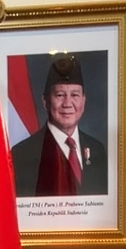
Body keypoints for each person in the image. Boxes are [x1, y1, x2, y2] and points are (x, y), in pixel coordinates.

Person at [11, 54, 109, 197]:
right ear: (45, 101)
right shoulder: (21, 154)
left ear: (84, 100)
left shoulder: (97, 149)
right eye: (60, 95)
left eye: (75, 95)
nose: (67, 104)